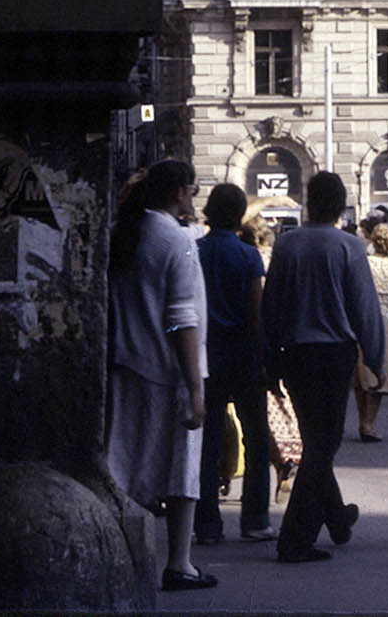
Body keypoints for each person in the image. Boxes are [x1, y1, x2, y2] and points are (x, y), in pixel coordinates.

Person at [262, 170, 386, 563]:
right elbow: (365, 308)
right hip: (334, 354)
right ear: (339, 204)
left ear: (308, 201)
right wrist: (376, 357)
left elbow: (271, 306)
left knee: (317, 440)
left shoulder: (286, 245)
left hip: (294, 353)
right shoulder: (349, 246)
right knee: (323, 446)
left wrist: (269, 360)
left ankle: (337, 519)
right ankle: (295, 539)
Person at [107, 159, 214, 592]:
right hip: (169, 370)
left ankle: (124, 560)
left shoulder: (123, 233)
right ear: (180, 193)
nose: (194, 196)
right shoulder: (177, 240)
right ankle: (179, 563)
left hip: (125, 365)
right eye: (193, 188)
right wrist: (195, 386)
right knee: (181, 472)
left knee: (124, 467)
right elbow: (181, 317)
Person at [193, 181, 275, 547]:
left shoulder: (194, 251)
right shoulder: (248, 256)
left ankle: (207, 523)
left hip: (207, 357)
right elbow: (256, 314)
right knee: (256, 438)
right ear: (239, 214)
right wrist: (264, 359)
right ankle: (255, 519)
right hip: (243, 355)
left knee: (208, 442)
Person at [353, 220, 388, 442]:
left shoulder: (364, 263)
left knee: (361, 373)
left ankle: (362, 421)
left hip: (362, 318)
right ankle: (369, 423)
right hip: (385, 321)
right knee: (380, 375)